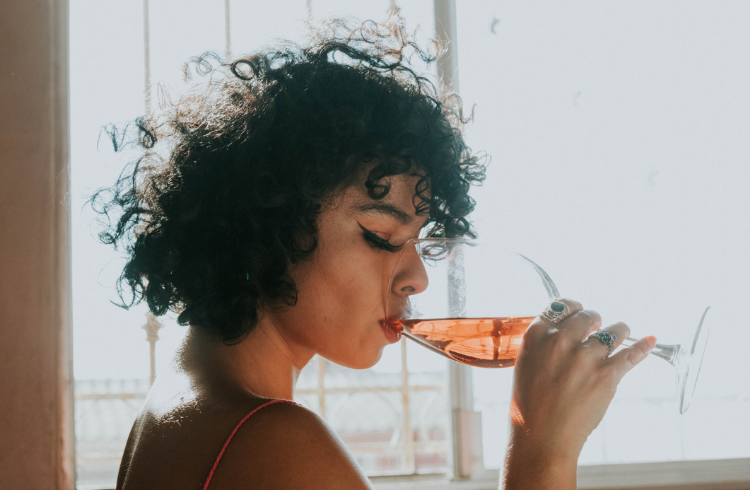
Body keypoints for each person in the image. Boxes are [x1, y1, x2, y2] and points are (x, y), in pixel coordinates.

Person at [92, 19, 656, 490]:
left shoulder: (174, 410)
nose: (415, 279)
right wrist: (543, 451)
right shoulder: (274, 439)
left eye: (420, 241)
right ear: (265, 223)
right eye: (383, 238)